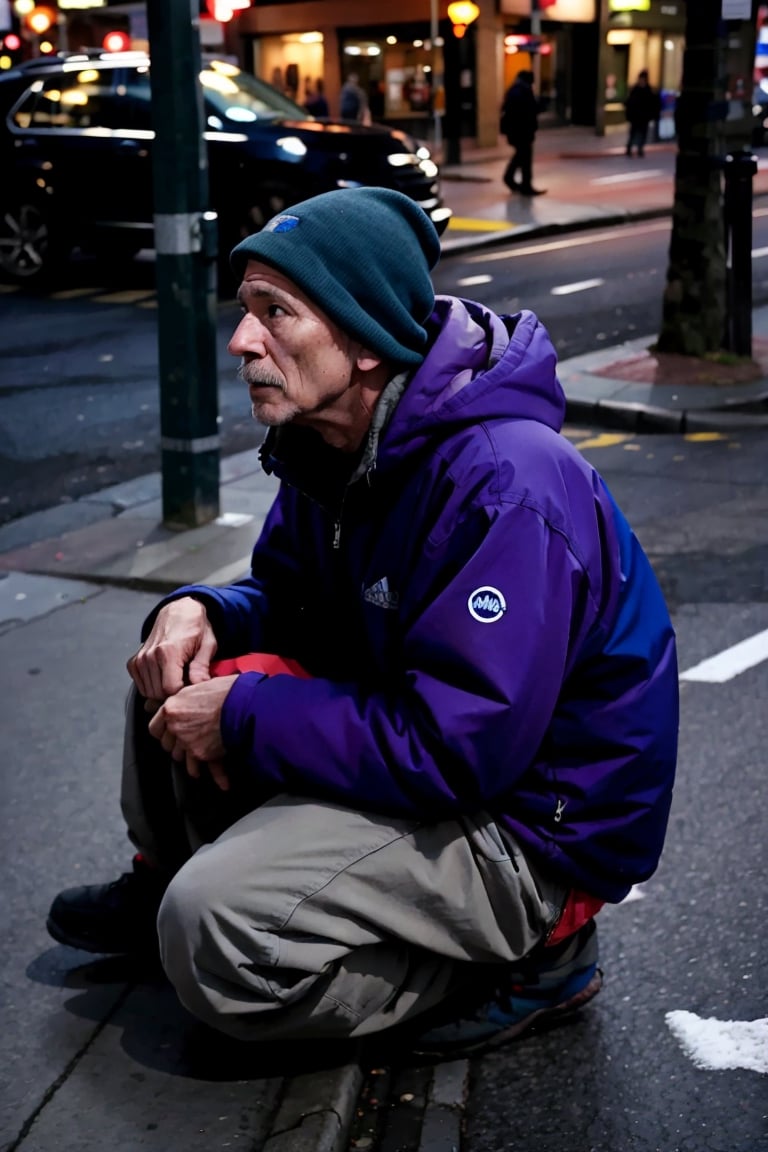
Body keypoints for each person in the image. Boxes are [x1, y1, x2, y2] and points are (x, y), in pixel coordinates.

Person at [46, 188, 679, 1058]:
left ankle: (537, 959)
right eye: (245, 313)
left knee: (212, 936)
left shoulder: (505, 487)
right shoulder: (332, 441)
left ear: (365, 332)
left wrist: (240, 716)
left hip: (530, 830)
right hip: (440, 759)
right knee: (176, 661)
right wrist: (202, 610)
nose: (242, 342)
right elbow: (290, 599)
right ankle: (164, 880)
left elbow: (462, 746)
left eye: (277, 312)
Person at [500, 69, 545, 197]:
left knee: (521, 156)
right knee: (525, 158)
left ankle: (512, 180)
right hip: (522, 131)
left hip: (518, 131)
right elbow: (528, 110)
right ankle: (523, 184)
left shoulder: (515, 90)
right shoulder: (522, 91)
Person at [625, 70, 661, 157]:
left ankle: (640, 149)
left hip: (644, 116)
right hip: (636, 116)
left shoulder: (648, 90)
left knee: (643, 133)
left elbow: (653, 103)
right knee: (633, 133)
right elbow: (630, 102)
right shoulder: (636, 89)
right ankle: (630, 148)